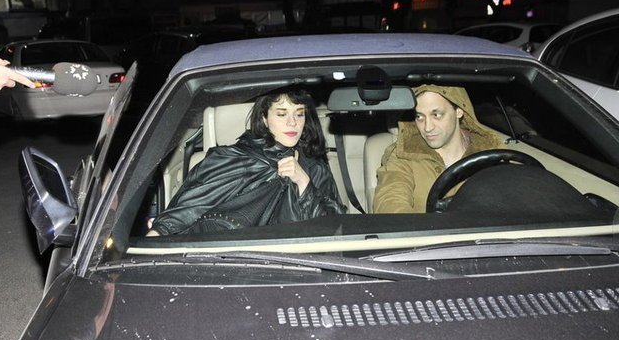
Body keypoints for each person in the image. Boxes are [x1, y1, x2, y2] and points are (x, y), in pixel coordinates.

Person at [147, 87, 346, 236]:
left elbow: (335, 231)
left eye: (299, 114)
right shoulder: (229, 159)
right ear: (264, 119)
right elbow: (188, 209)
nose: (292, 122)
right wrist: (157, 235)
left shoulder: (315, 169)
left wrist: (303, 184)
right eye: (282, 113)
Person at [373, 84, 504, 213]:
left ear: (459, 111)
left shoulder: (492, 152)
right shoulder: (403, 155)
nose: (427, 127)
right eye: (419, 116)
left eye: (436, 115)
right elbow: (390, 201)